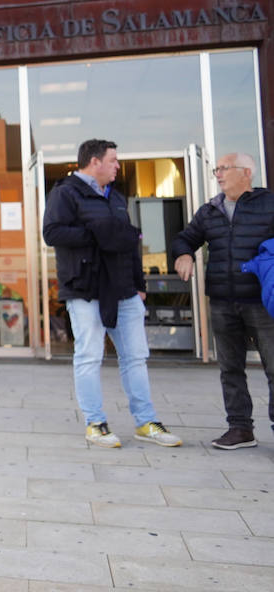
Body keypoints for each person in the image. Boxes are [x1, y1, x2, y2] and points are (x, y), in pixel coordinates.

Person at [42, 139, 182, 448]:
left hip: (125, 291)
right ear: (94, 162)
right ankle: (96, 423)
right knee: (89, 356)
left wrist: (140, 285)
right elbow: (51, 233)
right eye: (113, 160)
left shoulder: (116, 198)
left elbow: (130, 244)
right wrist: (96, 233)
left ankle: (146, 422)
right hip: (86, 291)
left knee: (135, 357)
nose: (118, 166)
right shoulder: (65, 193)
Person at [170, 152, 274, 449]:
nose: (217, 174)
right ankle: (240, 429)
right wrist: (184, 253)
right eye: (216, 169)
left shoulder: (268, 205)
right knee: (230, 368)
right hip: (222, 302)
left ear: (245, 173)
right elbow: (184, 238)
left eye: (223, 168)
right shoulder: (210, 211)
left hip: (262, 302)